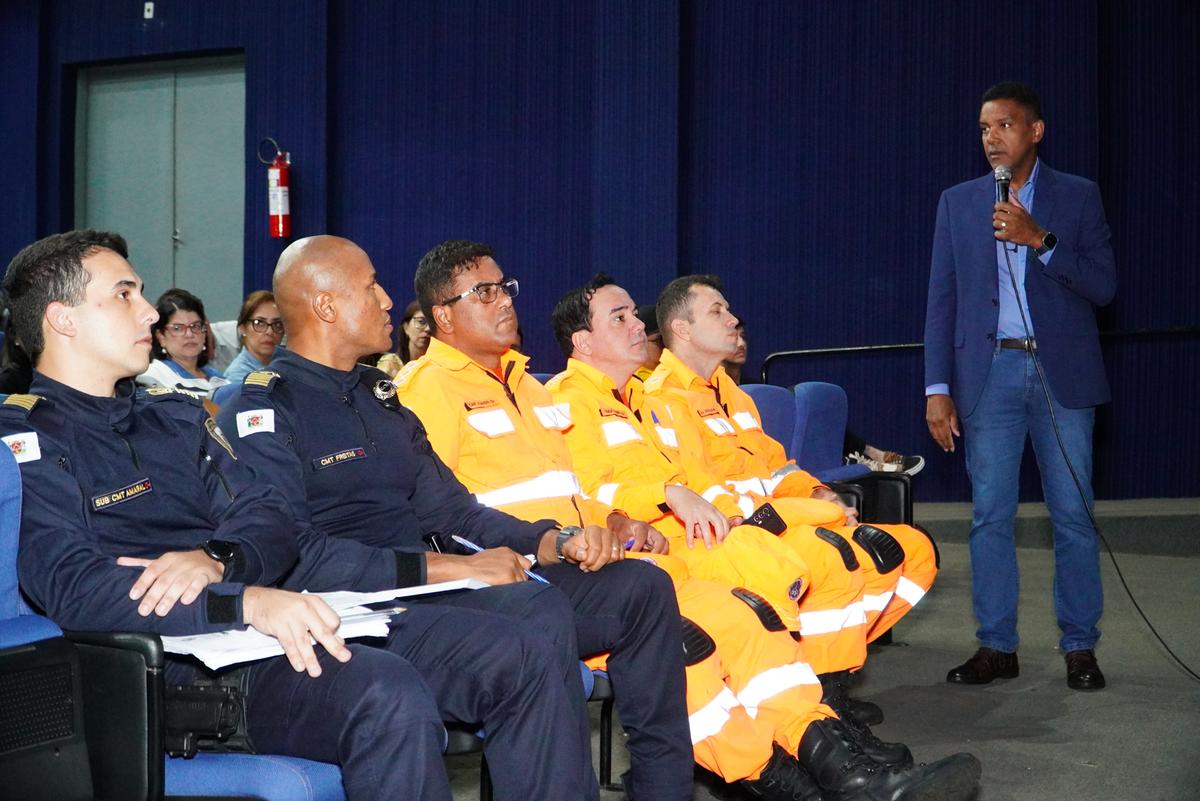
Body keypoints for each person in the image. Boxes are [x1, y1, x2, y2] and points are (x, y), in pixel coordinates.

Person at [1, 230, 596, 801]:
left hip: (259, 627)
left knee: (520, 654)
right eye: (124, 295)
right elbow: (75, 586)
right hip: (162, 667)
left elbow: (269, 517)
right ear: (63, 318)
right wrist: (244, 599)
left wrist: (218, 559)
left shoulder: (173, 419)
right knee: (385, 692)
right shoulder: (23, 437)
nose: (150, 313)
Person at [219, 235, 690, 801]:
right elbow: (297, 552)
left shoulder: (379, 397)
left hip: (425, 589)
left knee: (639, 587)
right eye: (371, 286)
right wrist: (446, 569)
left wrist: (551, 540)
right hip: (356, 609)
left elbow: (451, 509)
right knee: (530, 620)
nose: (389, 300)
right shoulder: (264, 407)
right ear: (325, 306)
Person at [544, 272, 982, 801]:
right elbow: (590, 492)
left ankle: (838, 756)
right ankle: (811, 774)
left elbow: (764, 471)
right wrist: (668, 498)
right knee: (778, 586)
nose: (639, 324)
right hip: (643, 556)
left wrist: (811, 494)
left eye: (636, 313)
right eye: (621, 317)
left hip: (690, 543)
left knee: (883, 554)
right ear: (583, 342)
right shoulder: (570, 399)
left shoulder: (642, 398)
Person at [923, 82, 1116, 691]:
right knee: (989, 517)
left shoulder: (1078, 197)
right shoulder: (957, 202)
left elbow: (1103, 286)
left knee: (1074, 516)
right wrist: (936, 387)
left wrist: (1040, 240)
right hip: (990, 375)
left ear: (1035, 131)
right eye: (983, 128)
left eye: (1004, 126)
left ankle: (1080, 647)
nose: (991, 139)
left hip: (1061, 375)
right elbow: (942, 301)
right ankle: (996, 646)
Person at [137, 288, 228, 397]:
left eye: (195, 326)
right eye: (177, 328)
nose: (189, 334)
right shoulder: (152, 378)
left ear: (204, 333)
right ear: (161, 337)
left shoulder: (219, 379)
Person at [222, 290, 285, 387]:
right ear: (243, 328)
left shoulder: (284, 367)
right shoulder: (238, 377)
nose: (269, 332)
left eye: (277, 324)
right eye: (259, 323)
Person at [376, 299, 430, 377]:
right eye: (421, 322)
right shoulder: (391, 363)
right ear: (406, 327)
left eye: (432, 324)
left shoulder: (438, 367)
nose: (428, 329)